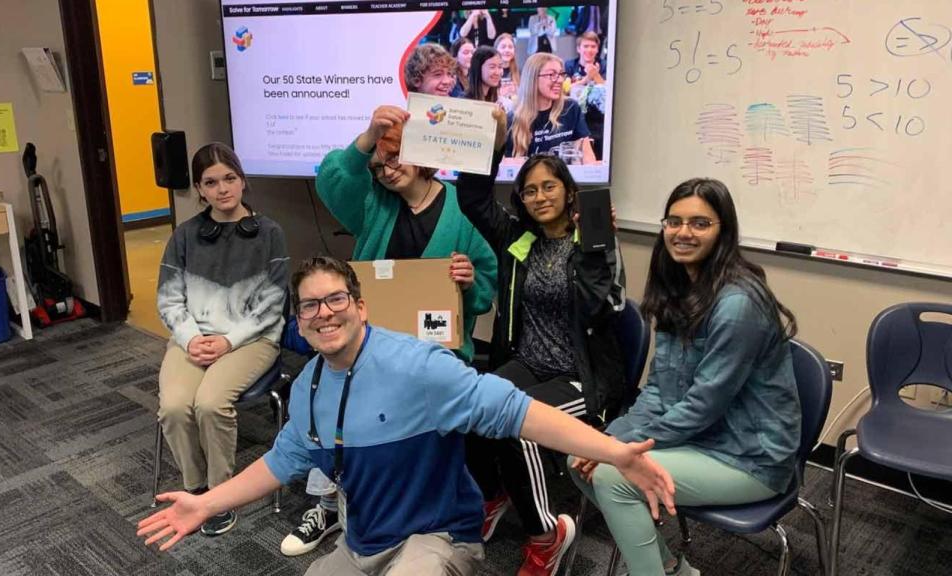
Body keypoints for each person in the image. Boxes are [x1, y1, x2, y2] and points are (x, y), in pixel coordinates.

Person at [138, 256, 677, 576]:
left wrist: (615, 452)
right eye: (310, 306)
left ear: (361, 306)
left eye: (336, 299)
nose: (324, 313)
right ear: (299, 322)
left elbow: (519, 413)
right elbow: (280, 463)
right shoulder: (308, 388)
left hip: (436, 537)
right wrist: (205, 503)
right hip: (362, 540)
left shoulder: (419, 368)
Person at [278, 105, 499, 557]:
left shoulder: (461, 207)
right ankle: (330, 505)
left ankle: (424, 518)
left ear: (421, 154)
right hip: (369, 344)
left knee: (416, 431)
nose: (387, 171)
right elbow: (331, 180)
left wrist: (470, 282)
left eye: (395, 157)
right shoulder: (372, 205)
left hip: (433, 350)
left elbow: (486, 288)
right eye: (379, 166)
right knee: (338, 404)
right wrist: (368, 137)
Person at [570, 178, 802, 576]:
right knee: (580, 456)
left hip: (749, 457)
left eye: (699, 223)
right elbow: (658, 390)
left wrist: (616, 448)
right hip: (702, 439)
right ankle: (674, 571)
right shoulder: (679, 287)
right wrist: (610, 440)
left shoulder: (738, 304)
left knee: (611, 475)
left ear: (723, 231)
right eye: (674, 221)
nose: (683, 232)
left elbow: (702, 406)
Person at [456, 116, 628, 575]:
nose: (539, 197)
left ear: (569, 192)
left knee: (518, 424)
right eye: (530, 191)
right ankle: (493, 495)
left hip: (581, 376)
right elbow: (472, 198)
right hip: (528, 363)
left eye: (549, 187)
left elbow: (602, 307)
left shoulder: (593, 242)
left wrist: (594, 246)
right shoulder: (519, 238)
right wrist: (493, 144)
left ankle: (546, 534)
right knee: (472, 403)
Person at [155, 142, 289, 537]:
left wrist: (229, 341)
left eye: (229, 178)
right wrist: (190, 338)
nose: (222, 189)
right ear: (200, 189)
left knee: (211, 404)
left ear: (243, 181)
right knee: (175, 407)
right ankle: (195, 489)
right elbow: (168, 298)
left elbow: (273, 303)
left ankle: (218, 495)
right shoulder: (185, 235)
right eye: (211, 182)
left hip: (252, 339)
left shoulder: (270, 233)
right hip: (194, 337)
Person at [508, 53, 597, 164]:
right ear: (533, 79)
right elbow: (505, 165)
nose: (560, 80)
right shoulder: (513, 118)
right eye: (552, 74)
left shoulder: (571, 108)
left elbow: (587, 155)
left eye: (561, 74)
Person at [465, 45, 513, 112]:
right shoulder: (464, 102)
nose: (497, 72)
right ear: (478, 68)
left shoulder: (497, 101)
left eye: (500, 67)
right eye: (492, 67)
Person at [494, 33, 521, 101]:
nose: (507, 50)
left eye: (510, 47)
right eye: (503, 47)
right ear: (495, 50)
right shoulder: (490, 72)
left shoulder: (520, 73)